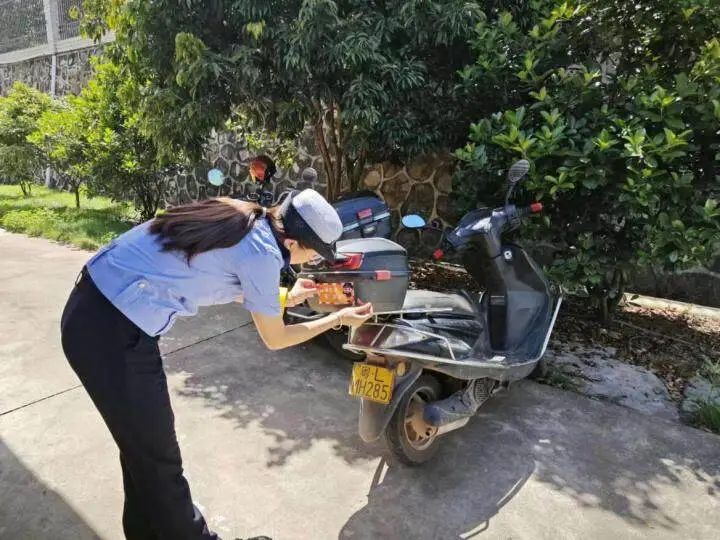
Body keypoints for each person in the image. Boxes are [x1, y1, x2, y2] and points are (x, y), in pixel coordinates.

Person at [60, 188, 373, 539]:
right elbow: (276, 338)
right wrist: (338, 319)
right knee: (159, 460)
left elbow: (217, 276)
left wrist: (286, 295)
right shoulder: (263, 254)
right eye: (313, 254)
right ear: (292, 244)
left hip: (94, 309)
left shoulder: (243, 217)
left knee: (142, 452)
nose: (311, 262)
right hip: (110, 332)